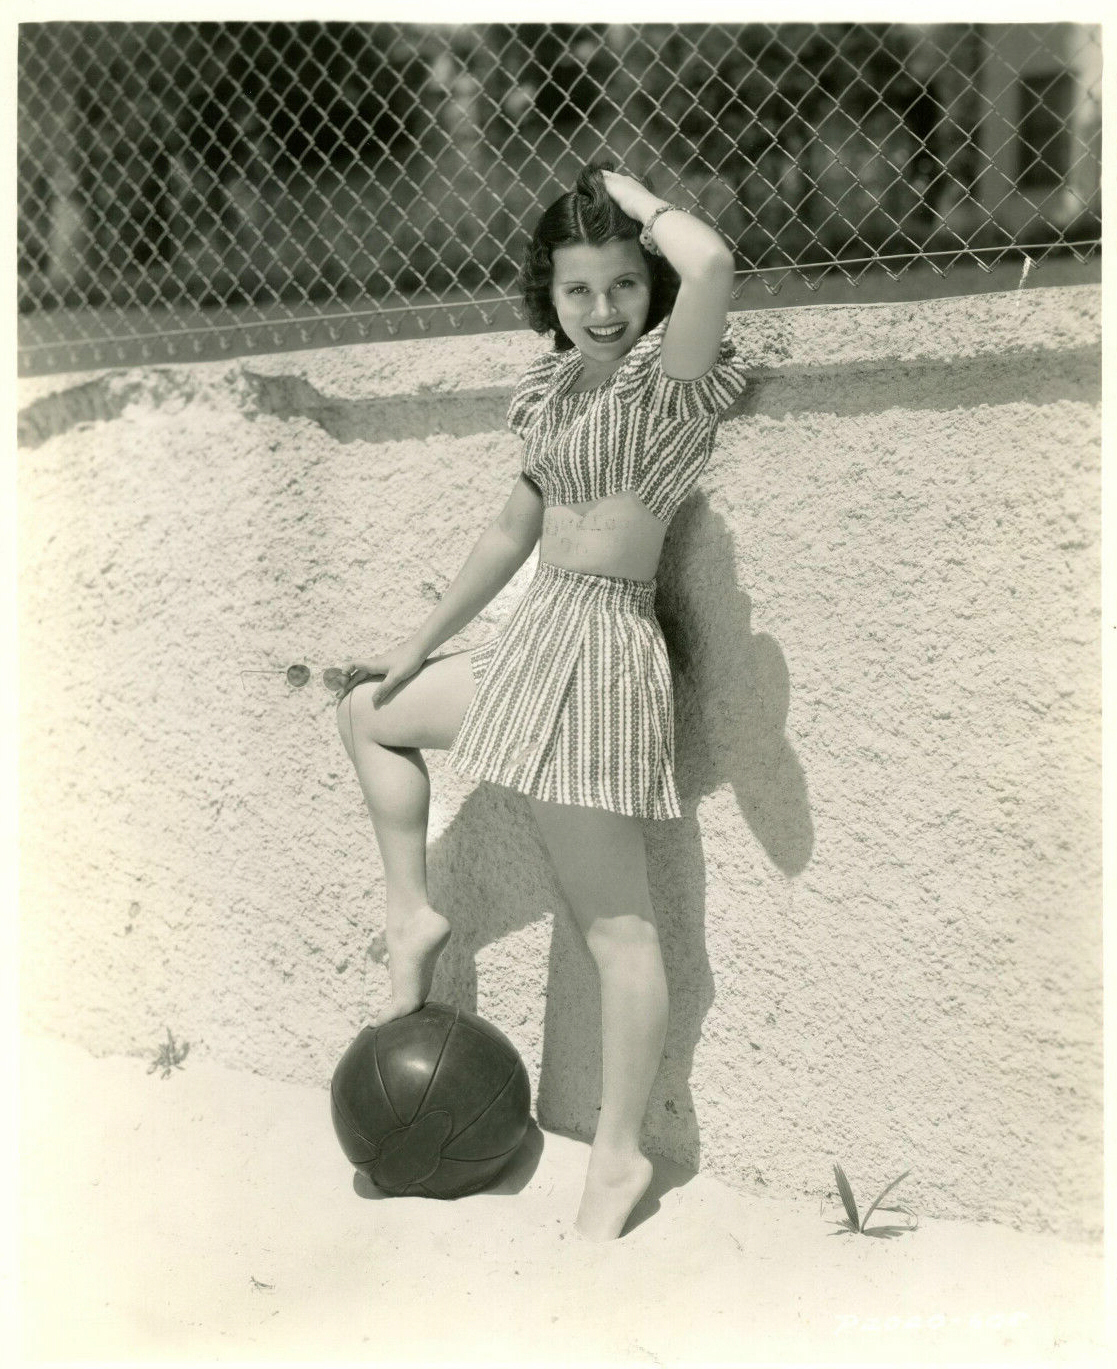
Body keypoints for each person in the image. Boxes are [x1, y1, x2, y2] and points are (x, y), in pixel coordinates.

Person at [335, 161, 748, 1240]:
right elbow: (509, 531)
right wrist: (414, 647)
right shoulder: (554, 390)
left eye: (623, 284)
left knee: (616, 927)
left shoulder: (669, 379)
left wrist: (636, 198)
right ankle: (413, 914)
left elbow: (710, 261)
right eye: (577, 290)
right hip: (531, 644)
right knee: (369, 712)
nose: (603, 310)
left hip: (601, 659)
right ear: (548, 294)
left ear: (649, 286)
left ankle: (618, 1156)